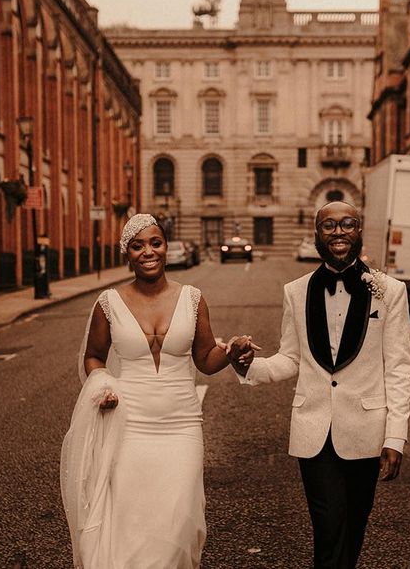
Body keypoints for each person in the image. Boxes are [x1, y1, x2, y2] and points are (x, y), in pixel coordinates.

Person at [228, 200, 410, 569]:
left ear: (359, 230)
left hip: (366, 427)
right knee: (328, 526)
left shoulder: (389, 291)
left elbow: (398, 368)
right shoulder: (296, 292)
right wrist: (248, 366)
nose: (338, 232)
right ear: (317, 234)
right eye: (329, 226)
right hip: (314, 429)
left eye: (347, 224)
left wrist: (395, 438)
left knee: (354, 526)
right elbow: (291, 359)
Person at [60, 213, 235, 569]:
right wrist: (103, 386)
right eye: (138, 246)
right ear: (127, 254)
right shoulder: (108, 303)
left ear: (166, 247)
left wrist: (231, 351)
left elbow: (205, 359)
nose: (148, 252)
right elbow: (94, 356)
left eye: (155, 243)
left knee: (180, 518)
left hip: (182, 425)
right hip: (131, 425)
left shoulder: (192, 298)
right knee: (133, 521)